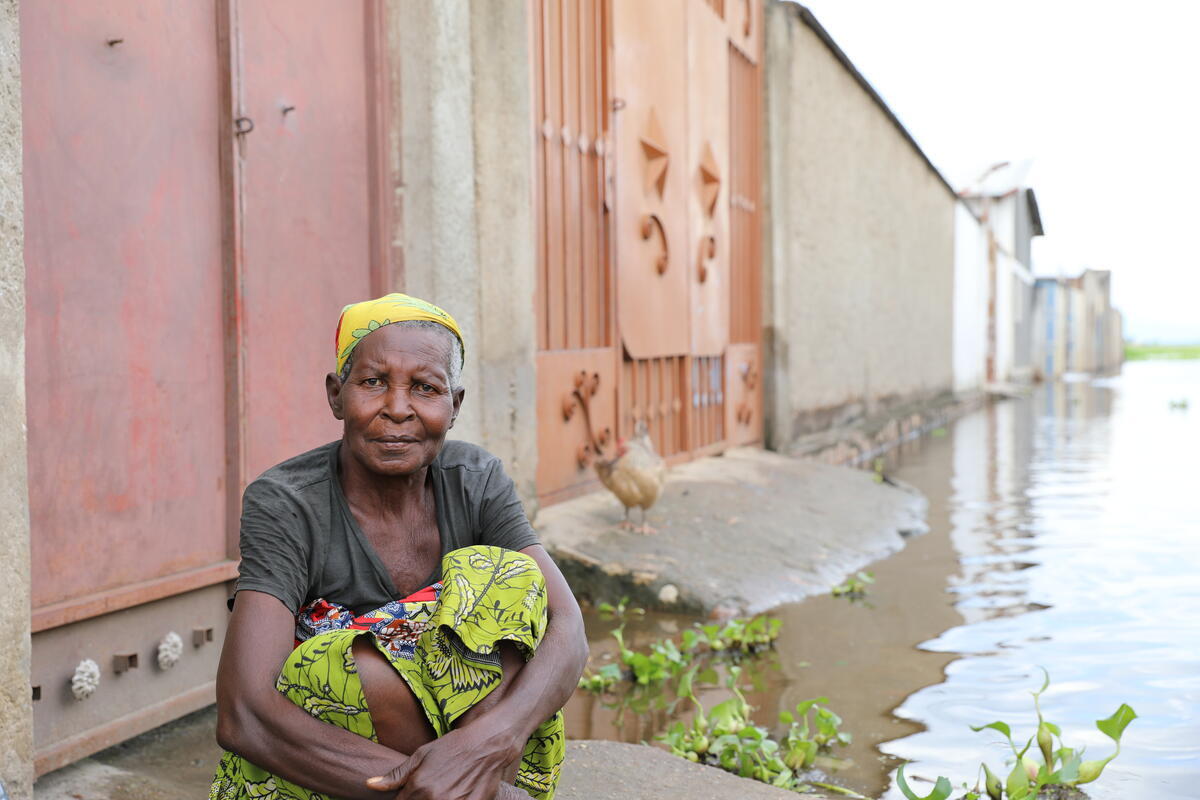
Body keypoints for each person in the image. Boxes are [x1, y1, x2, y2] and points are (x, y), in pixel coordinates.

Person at [210, 293, 588, 800]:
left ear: (454, 406)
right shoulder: (286, 502)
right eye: (372, 382)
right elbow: (244, 713)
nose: (397, 408)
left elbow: (567, 628)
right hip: (331, 770)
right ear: (336, 395)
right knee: (350, 667)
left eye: (425, 388)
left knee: (507, 579)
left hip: (473, 748)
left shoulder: (474, 480)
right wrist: (440, 790)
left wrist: (483, 746)